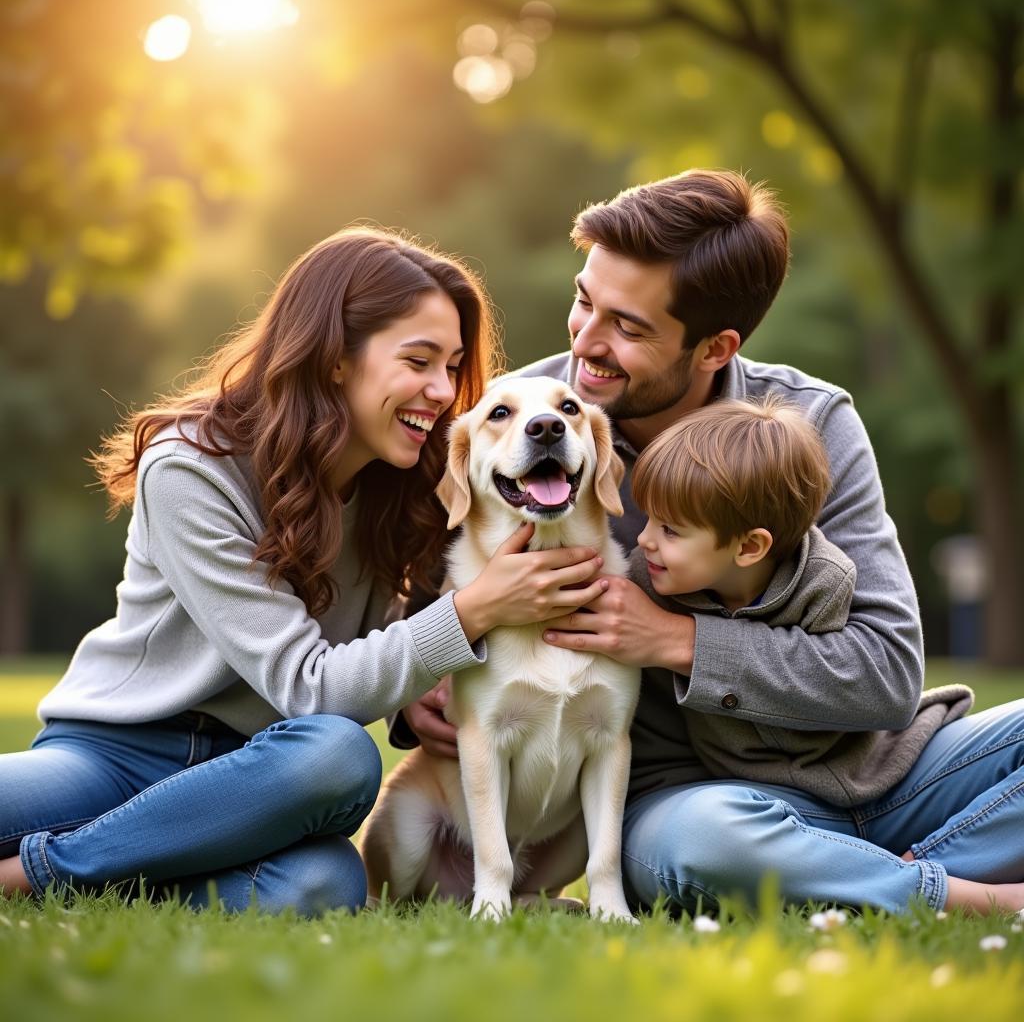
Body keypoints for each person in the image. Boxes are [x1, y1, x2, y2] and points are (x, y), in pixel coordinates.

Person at [397, 170, 1024, 916]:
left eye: (628, 328)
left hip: (890, 777)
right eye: (583, 301)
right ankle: (951, 889)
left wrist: (676, 639)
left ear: (715, 348)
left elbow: (888, 673)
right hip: (695, 805)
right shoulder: (522, 430)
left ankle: (855, 876)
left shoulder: (813, 423)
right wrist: (419, 692)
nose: (586, 345)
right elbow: (417, 607)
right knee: (701, 848)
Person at [0, 227, 609, 915]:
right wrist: (472, 613)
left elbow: (378, 646)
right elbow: (308, 688)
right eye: (419, 361)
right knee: (338, 750)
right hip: (116, 757)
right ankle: (45, 873)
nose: (442, 391)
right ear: (336, 359)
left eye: (453, 365)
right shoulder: (191, 469)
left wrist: (416, 693)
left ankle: (107, 861)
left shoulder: (401, 481)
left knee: (327, 880)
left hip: (261, 782)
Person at [627, 395, 972, 809]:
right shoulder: (649, 580)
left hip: (882, 773)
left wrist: (693, 646)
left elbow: (862, 683)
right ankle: (929, 869)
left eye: (670, 530)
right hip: (753, 804)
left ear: (750, 547)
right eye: (648, 518)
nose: (643, 539)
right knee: (705, 835)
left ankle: (903, 861)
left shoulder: (824, 581)